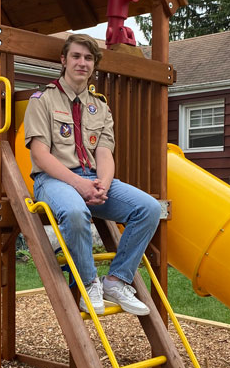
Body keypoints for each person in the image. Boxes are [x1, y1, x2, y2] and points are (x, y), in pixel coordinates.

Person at [24, 33, 161, 316]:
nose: (82, 63)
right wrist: (79, 185)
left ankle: (116, 280)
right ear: (63, 60)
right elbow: (40, 154)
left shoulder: (99, 106)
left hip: (93, 177)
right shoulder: (42, 100)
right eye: (76, 56)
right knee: (75, 213)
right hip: (54, 180)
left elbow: (104, 153)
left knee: (148, 208)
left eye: (88, 58)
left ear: (94, 65)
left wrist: (104, 185)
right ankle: (89, 283)